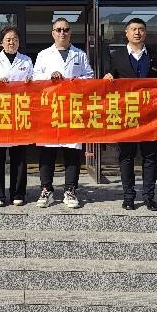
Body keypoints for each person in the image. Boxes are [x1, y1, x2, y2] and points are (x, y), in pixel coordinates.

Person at [103, 17, 157, 211]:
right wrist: (108, 77)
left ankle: (149, 197)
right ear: (127, 33)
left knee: (150, 157)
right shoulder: (116, 56)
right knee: (126, 156)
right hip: (127, 113)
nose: (137, 32)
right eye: (133, 29)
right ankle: (128, 197)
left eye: (141, 29)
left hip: (150, 115)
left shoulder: (154, 56)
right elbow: (109, 78)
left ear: (145, 33)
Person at [32, 17, 95, 209]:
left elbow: (90, 77)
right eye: (58, 30)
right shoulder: (44, 55)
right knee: (47, 152)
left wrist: (77, 80)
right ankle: (46, 190)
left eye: (66, 29)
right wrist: (49, 77)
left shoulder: (79, 54)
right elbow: (35, 79)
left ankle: (70, 190)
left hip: (72, 108)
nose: (62, 33)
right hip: (50, 109)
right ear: (53, 33)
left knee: (72, 152)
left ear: (70, 32)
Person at [0, 26, 34, 207]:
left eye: (15, 39)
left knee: (19, 154)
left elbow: (34, 82)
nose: (12, 42)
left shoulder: (26, 60)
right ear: (2, 42)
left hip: (19, 110)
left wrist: (29, 83)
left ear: (19, 42)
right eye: (8, 39)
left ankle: (18, 193)